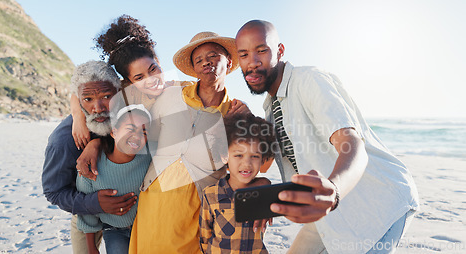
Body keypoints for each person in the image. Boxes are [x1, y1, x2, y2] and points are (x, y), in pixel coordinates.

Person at [235, 20, 419, 254]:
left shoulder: (309, 80)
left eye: (262, 50)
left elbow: (352, 144)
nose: (252, 62)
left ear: (280, 51)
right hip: (326, 211)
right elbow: (265, 164)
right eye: (244, 54)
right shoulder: (271, 107)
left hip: (377, 204)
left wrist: (334, 190)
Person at [127, 31, 250, 254]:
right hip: (153, 202)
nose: (206, 62)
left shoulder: (235, 114)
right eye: (199, 60)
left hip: (197, 211)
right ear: (193, 68)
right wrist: (93, 143)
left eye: (213, 56)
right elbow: (135, 130)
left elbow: (253, 165)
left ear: (229, 62)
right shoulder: (169, 96)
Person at [42, 60, 137, 254]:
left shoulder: (127, 116)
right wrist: (94, 203)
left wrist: (97, 143)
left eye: (106, 96)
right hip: (85, 211)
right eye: (88, 100)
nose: (98, 107)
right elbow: (53, 191)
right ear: (79, 100)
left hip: (129, 211)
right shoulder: (62, 141)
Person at [70, 14, 187, 152]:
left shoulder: (182, 88)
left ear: (158, 61)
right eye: (139, 78)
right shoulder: (128, 91)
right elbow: (76, 93)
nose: (150, 80)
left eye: (153, 69)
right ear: (128, 81)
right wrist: (78, 118)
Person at [77, 104, 152, 254]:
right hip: (114, 230)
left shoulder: (150, 160)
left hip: (145, 228)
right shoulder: (91, 166)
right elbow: (86, 210)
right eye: (130, 129)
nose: (136, 136)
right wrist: (91, 248)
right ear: (113, 132)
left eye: (143, 132)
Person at [200, 113, 276, 254]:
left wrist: (266, 185)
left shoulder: (266, 194)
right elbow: (205, 238)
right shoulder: (210, 195)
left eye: (255, 156)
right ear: (224, 156)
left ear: (263, 158)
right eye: (238, 155)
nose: (246, 163)